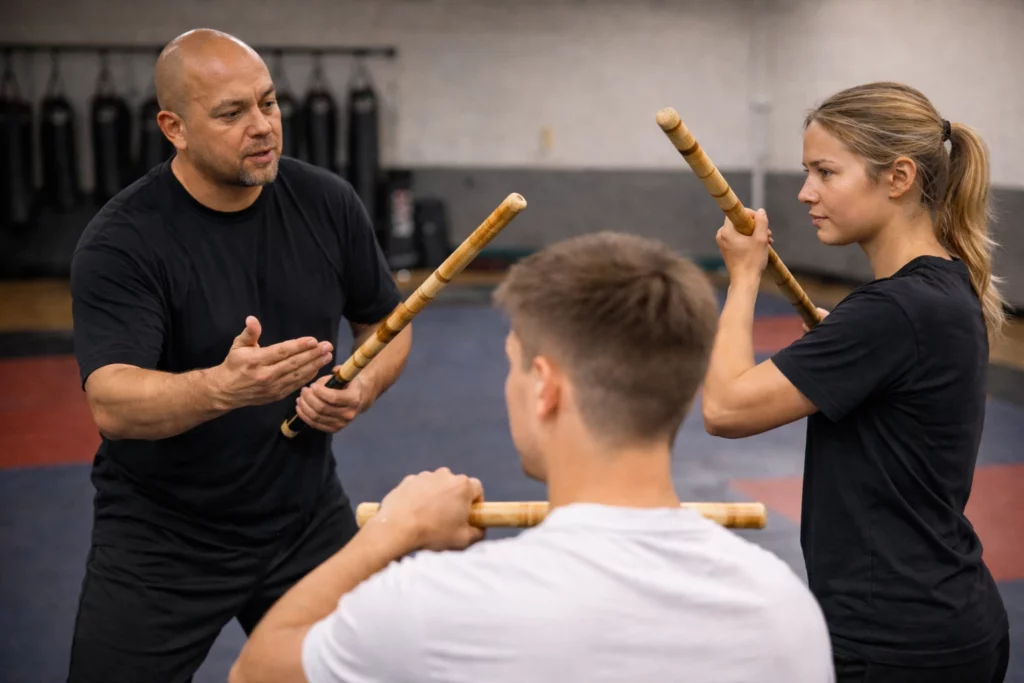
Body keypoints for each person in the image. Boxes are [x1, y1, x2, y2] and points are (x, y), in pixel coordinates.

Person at [228, 231, 835, 683]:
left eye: (514, 363)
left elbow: (256, 669)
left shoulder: (440, 604)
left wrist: (391, 532)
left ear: (545, 385)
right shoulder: (784, 611)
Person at [67, 28, 411, 682]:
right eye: (231, 113)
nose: (262, 126)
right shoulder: (123, 241)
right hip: (165, 536)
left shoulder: (327, 203)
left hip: (305, 518)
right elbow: (110, 400)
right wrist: (219, 388)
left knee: (373, 672)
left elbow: (385, 325)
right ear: (176, 127)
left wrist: (360, 385)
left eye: (268, 103)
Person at [701, 81, 1011, 681]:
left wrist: (743, 276)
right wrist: (846, 343)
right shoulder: (938, 288)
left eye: (825, 172)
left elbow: (725, 408)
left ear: (897, 178)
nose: (805, 192)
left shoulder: (892, 312)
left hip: (898, 641)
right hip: (938, 621)